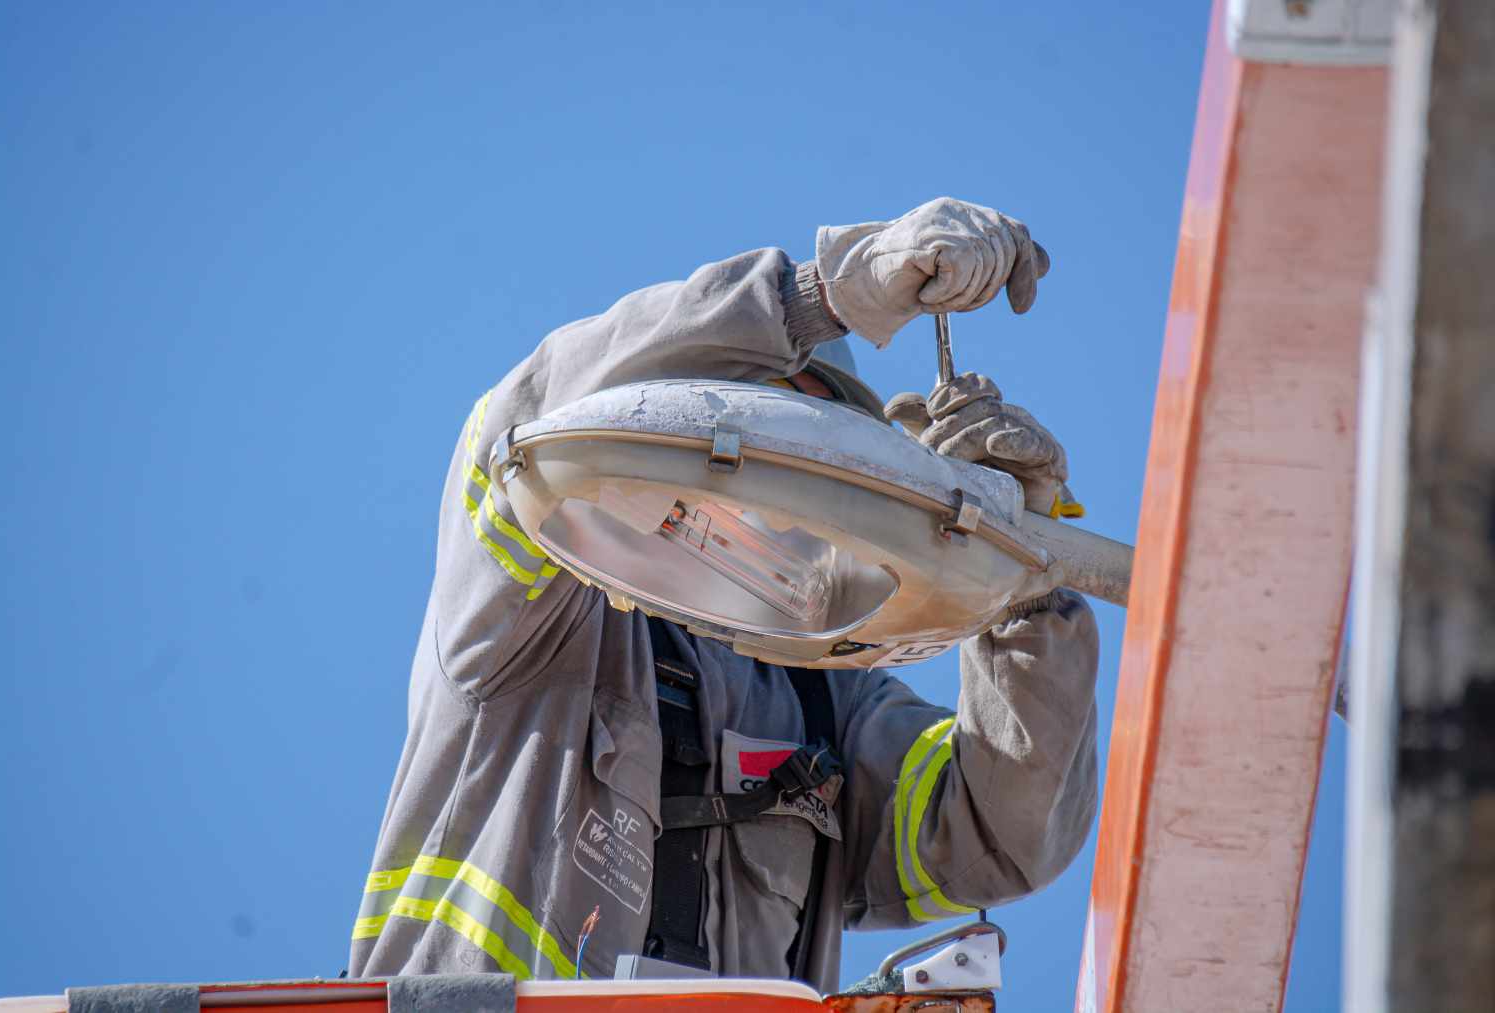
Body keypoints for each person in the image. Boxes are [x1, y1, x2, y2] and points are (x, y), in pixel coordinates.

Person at [348, 197, 1100, 992]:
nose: (777, 477)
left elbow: (998, 835)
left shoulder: (827, 706)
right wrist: (822, 298)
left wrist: (1017, 567)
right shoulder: (533, 617)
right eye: (758, 425)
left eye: (815, 451)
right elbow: (518, 431)